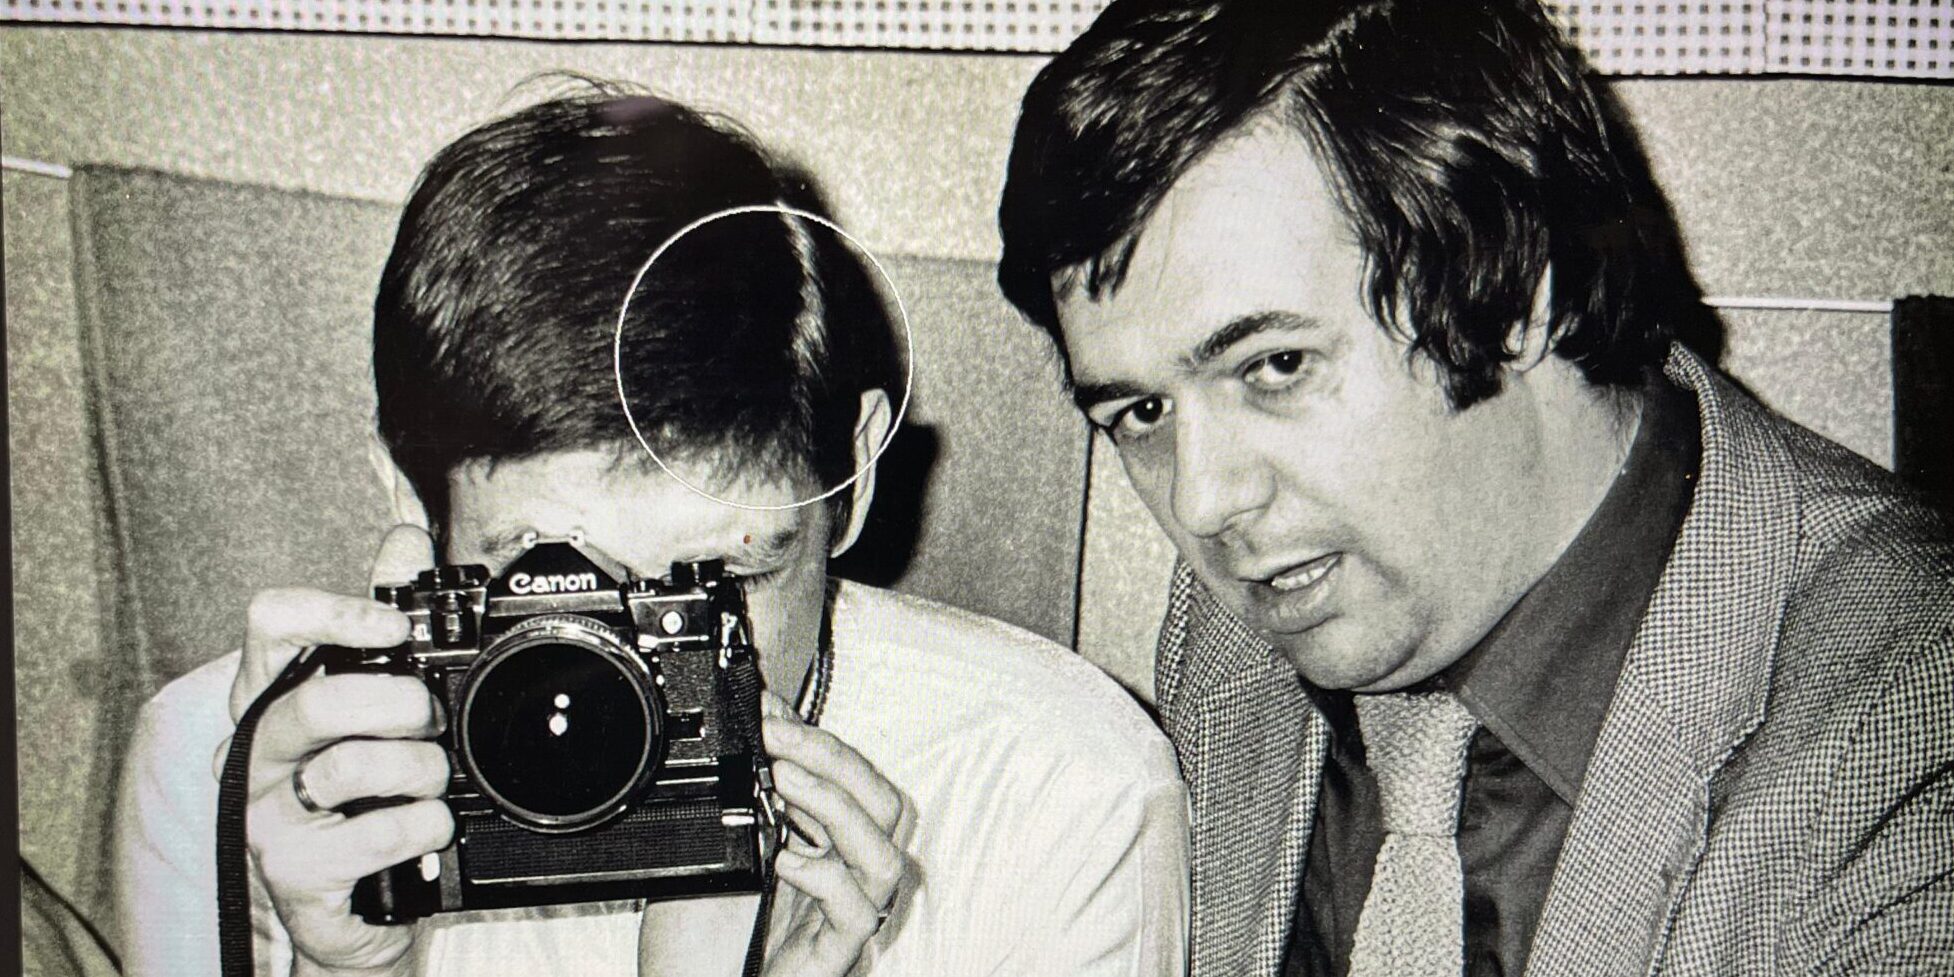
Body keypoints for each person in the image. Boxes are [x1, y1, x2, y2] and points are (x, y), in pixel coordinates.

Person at [116, 88, 1187, 977]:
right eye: (550, 576)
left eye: (713, 582)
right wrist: (346, 971)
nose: (628, 670)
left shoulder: (1059, 798)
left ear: (852, 478)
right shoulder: (248, 775)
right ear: (410, 503)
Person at [995, 0, 1954, 975]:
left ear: (1515, 296)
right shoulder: (1254, 611)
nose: (1202, 503)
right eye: (1141, 413)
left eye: (1276, 365)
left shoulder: (1912, 720)